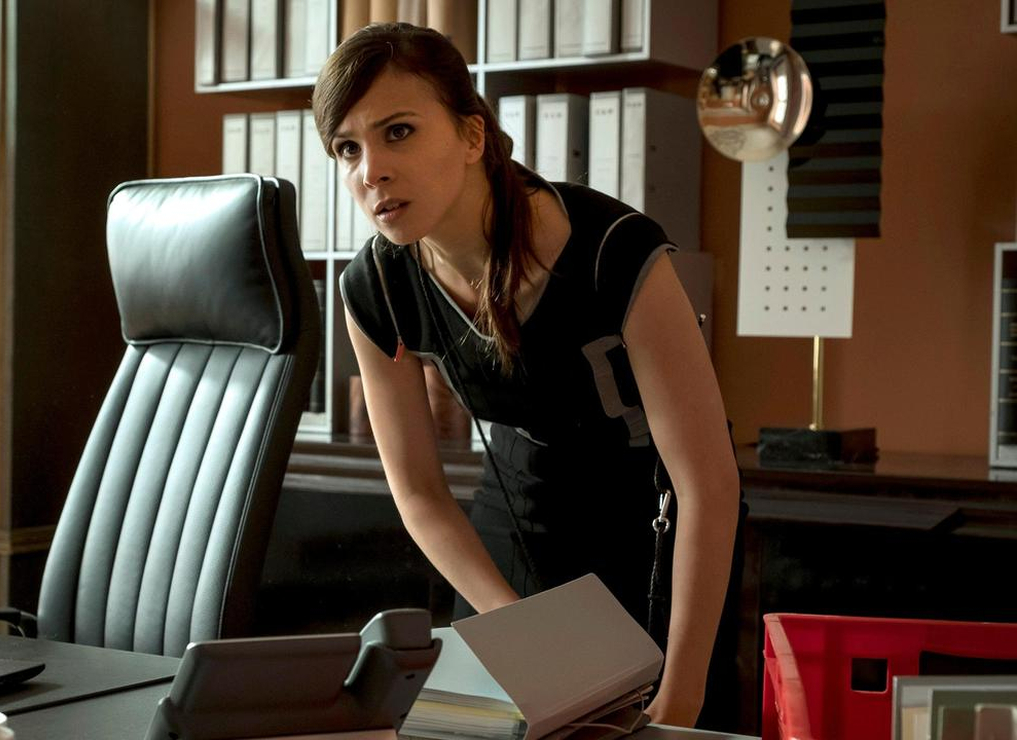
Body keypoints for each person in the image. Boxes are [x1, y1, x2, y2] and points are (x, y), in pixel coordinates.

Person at [311, 22, 745, 729]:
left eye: (399, 132)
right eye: (347, 149)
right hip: (515, 515)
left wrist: (682, 698)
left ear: (472, 135)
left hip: (654, 525)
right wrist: (519, 632)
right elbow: (419, 493)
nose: (371, 171)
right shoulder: (375, 288)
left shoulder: (614, 250)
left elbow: (708, 486)